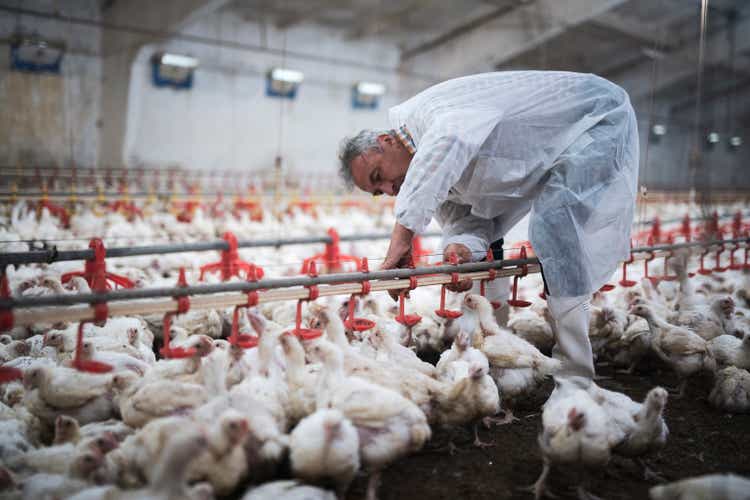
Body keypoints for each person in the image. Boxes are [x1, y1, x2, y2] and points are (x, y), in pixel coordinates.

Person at [337, 71, 639, 381]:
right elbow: (467, 221)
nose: (389, 189)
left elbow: (448, 143)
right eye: (379, 192)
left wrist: (402, 235)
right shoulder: (430, 175)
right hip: (562, 145)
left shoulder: (429, 114)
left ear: (386, 142)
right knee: (552, 226)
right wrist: (460, 249)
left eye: (378, 176)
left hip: (594, 117)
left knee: (555, 224)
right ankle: (565, 364)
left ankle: (577, 376)